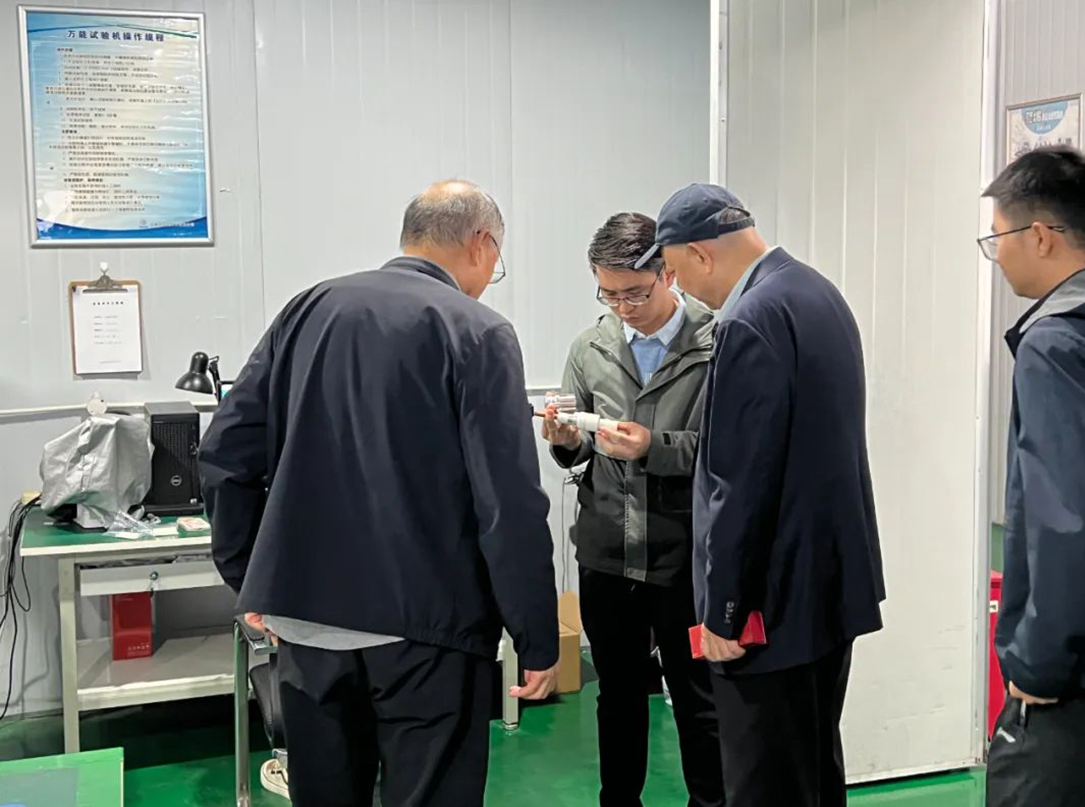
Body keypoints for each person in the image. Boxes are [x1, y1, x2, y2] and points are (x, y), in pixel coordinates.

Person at [198, 180, 560, 807]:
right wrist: (535, 636)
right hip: (429, 630)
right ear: (481, 244)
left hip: (307, 623)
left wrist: (251, 577)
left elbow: (224, 454)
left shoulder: (307, 309)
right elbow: (509, 505)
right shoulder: (478, 331)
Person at [644, 184, 886, 807]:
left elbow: (739, 481)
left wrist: (723, 610)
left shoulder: (749, 319)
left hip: (771, 605)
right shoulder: (815, 292)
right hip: (826, 587)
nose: (679, 288)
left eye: (673, 270)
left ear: (700, 254)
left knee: (765, 782)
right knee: (813, 766)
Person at [542, 212, 723, 807]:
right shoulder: (590, 348)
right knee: (618, 695)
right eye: (609, 294)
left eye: (636, 293)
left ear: (668, 273)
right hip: (609, 552)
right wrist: (565, 439)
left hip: (686, 556)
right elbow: (577, 450)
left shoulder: (715, 344)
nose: (623, 307)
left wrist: (652, 447)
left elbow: (729, 450)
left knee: (699, 698)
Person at [981, 147, 1085, 807]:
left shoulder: (1056, 343)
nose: (998, 256)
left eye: (997, 238)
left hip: (1076, 689)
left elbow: (1067, 521)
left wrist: (1038, 664)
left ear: (1041, 236)